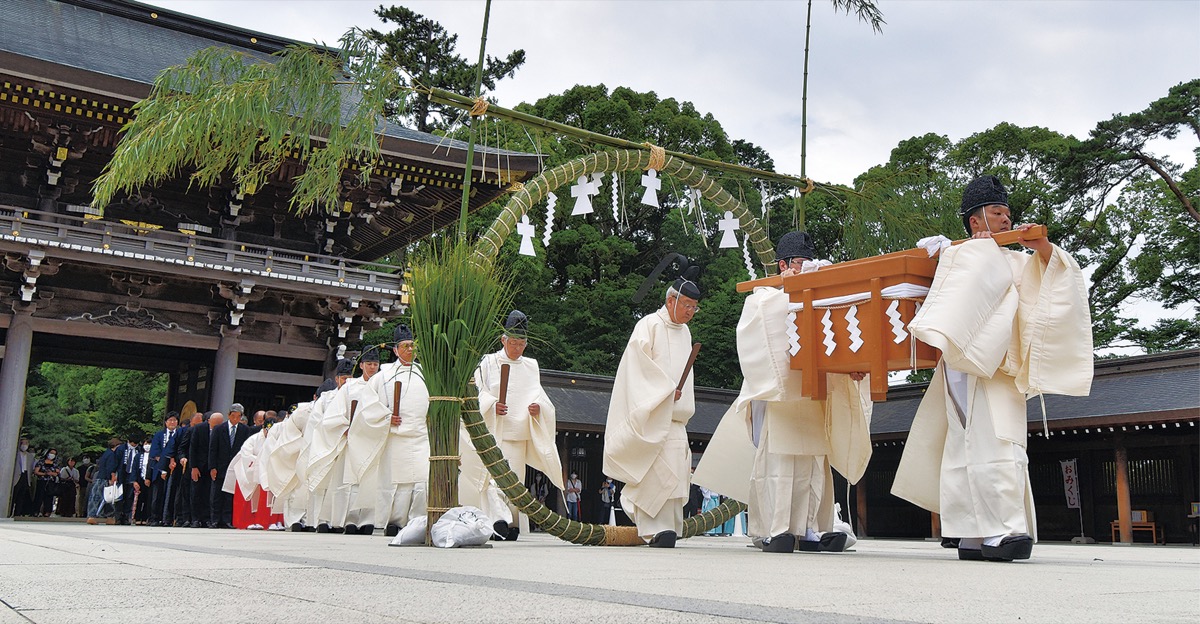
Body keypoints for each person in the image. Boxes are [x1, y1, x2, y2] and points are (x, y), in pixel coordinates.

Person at [891, 175, 1093, 562]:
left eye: (1007, 214)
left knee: (1001, 442)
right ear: (976, 221)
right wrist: (949, 254)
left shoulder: (1019, 260)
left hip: (998, 366)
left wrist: (1045, 250)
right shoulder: (956, 255)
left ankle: (1007, 529)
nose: (1006, 220)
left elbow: (1053, 284)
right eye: (997, 213)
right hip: (959, 366)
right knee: (960, 443)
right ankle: (969, 531)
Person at [693, 231, 873, 554]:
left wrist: (850, 367)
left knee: (814, 467)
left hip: (814, 397)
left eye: (809, 264)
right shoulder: (764, 297)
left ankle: (809, 528)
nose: (806, 270)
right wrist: (790, 294)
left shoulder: (819, 301)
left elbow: (837, 341)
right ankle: (776, 530)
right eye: (801, 264)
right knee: (780, 466)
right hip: (782, 399)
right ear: (783, 265)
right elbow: (759, 332)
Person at [603, 272, 701, 548]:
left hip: (676, 418)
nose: (690, 313)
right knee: (655, 470)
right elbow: (638, 369)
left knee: (676, 471)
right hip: (652, 414)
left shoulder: (685, 333)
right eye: (687, 306)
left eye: (694, 308)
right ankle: (653, 528)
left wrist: (676, 396)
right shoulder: (648, 325)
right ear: (671, 300)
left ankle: (668, 527)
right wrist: (666, 392)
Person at [461, 310, 565, 540]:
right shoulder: (488, 362)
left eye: (521, 344)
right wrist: (491, 404)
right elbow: (476, 392)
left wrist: (538, 408)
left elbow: (540, 397)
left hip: (518, 432)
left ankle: (513, 522)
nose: (517, 348)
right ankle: (498, 521)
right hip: (493, 431)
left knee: (515, 480)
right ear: (503, 340)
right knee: (492, 479)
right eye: (513, 343)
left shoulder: (531, 366)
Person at [345, 327, 430, 538]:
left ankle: (418, 522)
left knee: (422, 482)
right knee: (397, 484)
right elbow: (368, 406)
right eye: (405, 346)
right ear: (395, 350)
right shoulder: (383, 377)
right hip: (395, 436)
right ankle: (395, 522)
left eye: (413, 346)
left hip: (421, 436)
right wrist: (385, 417)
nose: (410, 350)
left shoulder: (426, 373)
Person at [209, 405, 252, 528]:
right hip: (220, 466)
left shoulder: (245, 430)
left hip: (235, 467)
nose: (235, 419)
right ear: (229, 415)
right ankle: (215, 519)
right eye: (233, 416)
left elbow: (245, 450)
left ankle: (227, 520)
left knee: (230, 495)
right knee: (217, 494)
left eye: (238, 417)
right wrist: (212, 467)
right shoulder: (218, 429)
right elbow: (213, 449)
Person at [186, 413, 219, 528]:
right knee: (196, 493)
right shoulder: (199, 429)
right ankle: (195, 519)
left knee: (209, 494)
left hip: (212, 467)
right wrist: (193, 467)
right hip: (199, 466)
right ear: (209, 421)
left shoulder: (220, 430)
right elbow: (193, 448)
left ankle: (207, 519)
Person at [147, 412, 180, 526]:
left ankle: (168, 519)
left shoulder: (179, 434)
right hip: (159, 468)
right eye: (170, 420)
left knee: (171, 495)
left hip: (174, 468)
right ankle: (155, 518)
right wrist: (163, 466)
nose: (172, 422)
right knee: (157, 495)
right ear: (166, 422)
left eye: (174, 420)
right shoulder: (159, 435)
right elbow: (155, 453)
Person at [87, 437, 122, 525]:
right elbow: (111, 467)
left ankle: (108, 517)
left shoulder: (106, 453)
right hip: (105, 479)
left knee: (104, 498)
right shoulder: (112, 455)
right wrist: (112, 478)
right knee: (105, 498)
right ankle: (93, 516)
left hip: (100, 477)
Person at [10, 437, 35, 516]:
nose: (24, 445)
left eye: (26, 443)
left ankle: (17, 513)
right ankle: (9, 512)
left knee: (22, 496)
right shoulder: (15, 453)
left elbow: (31, 467)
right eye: (23, 443)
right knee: (14, 495)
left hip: (26, 476)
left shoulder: (30, 456)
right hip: (17, 475)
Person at [32, 450, 59, 517]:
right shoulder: (41, 462)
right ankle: (36, 511)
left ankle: (47, 511)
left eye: (54, 454)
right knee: (39, 496)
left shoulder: (55, 463)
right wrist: (44, 473)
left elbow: (57, 472)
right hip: (42, 480)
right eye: (51, 453)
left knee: (49, 497)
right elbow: (36, 471)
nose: (52, 455)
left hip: (50, 481)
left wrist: (52, 473)